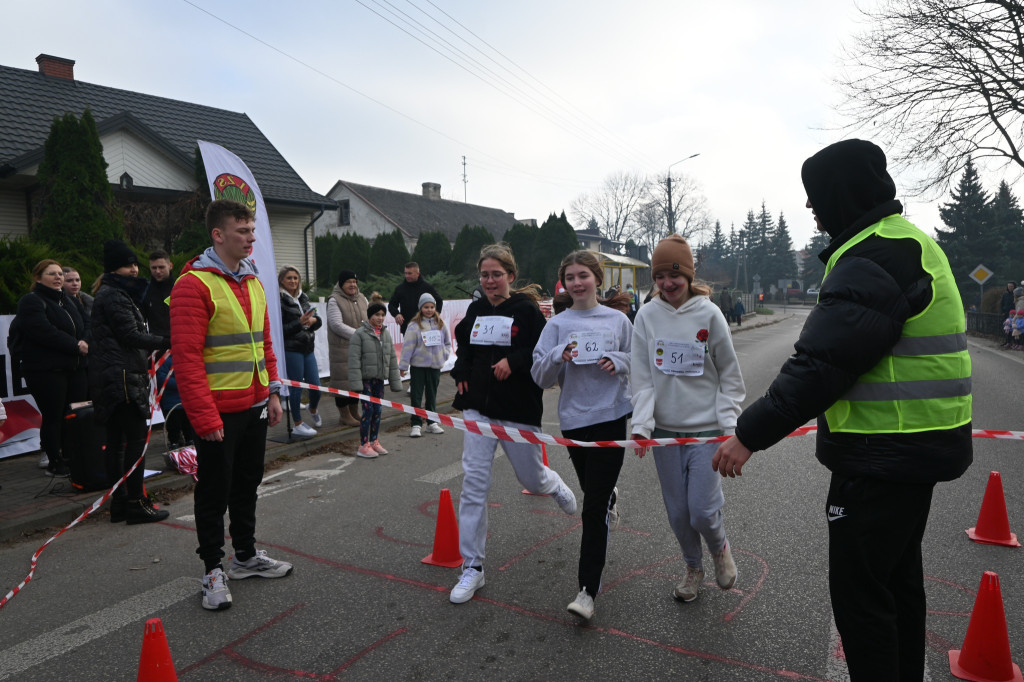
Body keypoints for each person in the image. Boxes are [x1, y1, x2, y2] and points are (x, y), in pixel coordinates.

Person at [711, 139, 973, 681]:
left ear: (841, 194)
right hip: (915, 451)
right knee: (897, 586)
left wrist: (748, 435)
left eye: (816, 197)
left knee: (862, 602)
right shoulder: (907, 243)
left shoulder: (872, 258)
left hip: (882, 459)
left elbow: (818, 368)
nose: (811, 210)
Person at [170, 199, 291, 612]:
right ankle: (212, 570)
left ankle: (244, 556)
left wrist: (273, 393)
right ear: (217, 235)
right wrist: (204, 417)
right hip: (217, 414)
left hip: (255, 405)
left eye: (253, 230)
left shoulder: (253, 280)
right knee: (213, 494)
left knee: (246, 486)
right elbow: (186, 359)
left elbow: (264, 344)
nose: (252, 238)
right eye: (243, 231)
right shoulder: (193, 284)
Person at [448, 243, 577, 605]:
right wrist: (461, 372)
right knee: (473, 483)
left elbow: (540, 351)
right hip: (477, 409)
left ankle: (552, 484)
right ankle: (473, 567)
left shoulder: (528, 311)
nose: (490, 281)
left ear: (510, 276)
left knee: (531, 479)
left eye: (496, 274)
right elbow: (464, 352)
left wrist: (514, 361)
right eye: (485, 275)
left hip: (517, 409)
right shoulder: (474, 310)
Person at [630, 234, 745, 604]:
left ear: (689, 275)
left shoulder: (709, 313)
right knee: (679, 513)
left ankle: (719, 548)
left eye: (674, 275)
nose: (667, 283)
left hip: (707, 431)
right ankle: (693, 568)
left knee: (702, 511)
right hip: (665, 433)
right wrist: (642, 424)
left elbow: (729, 373)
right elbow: (642, 375)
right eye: (660, 276)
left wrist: (729, 427)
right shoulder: (646, 316)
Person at [531, 250, 633, 621]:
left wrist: (618, 361)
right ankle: (608, 498)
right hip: (574, 421)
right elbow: (539, 377)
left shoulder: (618, 320)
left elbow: (636, 360)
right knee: (596, 496)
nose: (576, 283)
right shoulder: (557, 325)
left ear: (597, 279)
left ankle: (588, 590)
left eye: (583, 276)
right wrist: (559, 354)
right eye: (570, 277)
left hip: (611, 418)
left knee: (592, 510)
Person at [90, 240, 171, 524]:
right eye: (128, 264)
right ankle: (135, 502)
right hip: (123, 376)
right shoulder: (114, 295)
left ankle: (121, 503)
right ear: (114, 268)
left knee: (116, 443)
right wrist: (169, 341)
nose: (135, 270)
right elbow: (130, 335)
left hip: (113, 375)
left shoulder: (113, 293)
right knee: (134, 441)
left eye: (136, 264)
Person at [16, 260, 89, 476]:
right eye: (52, 274)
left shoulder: (69, 300)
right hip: (47, 371)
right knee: (53, 416)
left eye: (59, 273)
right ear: (38, 278)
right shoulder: (31, 301)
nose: (58, 277)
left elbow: (87, 324)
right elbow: (43, 332)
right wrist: (76, 346)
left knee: (74, 413)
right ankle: (55, 461)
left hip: (76, 369)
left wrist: (87, 341)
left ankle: (72, 456)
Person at [349, 302, 403, 458]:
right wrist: (356, 384)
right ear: (369, 316)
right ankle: (363, 444)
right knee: (368, 411)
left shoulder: (385, 334)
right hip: (366, 380)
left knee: (378, 411)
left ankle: (374, 441)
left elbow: (392, 358)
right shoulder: (359, 334)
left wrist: (395, 381)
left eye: (382, 315)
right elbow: (354, 360)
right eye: (376, 315)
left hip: (379, 380)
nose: (380, 318)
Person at [278, 265, 323, 439]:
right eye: (289, 278)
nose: (293, 281)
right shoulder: (279, 300)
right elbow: (280, 330)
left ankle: (312, 408)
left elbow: (317, 321)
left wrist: (313, 320)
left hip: (308, 348)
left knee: (316, 386)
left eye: (295, 278)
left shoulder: (303, 297)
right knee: (295, 388)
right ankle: (297, 424)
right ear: (282, 280)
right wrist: (300, 322)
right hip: (292, 349)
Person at [399, 293, 451, 438]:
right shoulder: (414, 325)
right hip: (418, 367)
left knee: (432, 395)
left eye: (432, 307)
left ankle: (431, 422)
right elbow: (408, 346)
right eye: (426, 307)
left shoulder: (441, 324)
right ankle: (416, 423)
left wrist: (444, 355)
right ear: (421, 308)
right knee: (416, 395)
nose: (429, 310)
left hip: (435, 367)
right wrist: (403, 366)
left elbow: (447, 342)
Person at [326, 270, 367, 427]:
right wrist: (359, 334)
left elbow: (368, 317)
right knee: (343, 383)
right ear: (341, 284)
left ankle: (354, 412)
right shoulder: (334, 300)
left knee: (356, 382)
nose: (352, 285)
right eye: (349, 282)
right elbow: (336, 325)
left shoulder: (362, 298)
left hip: (358, 348)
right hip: (342, 349)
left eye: (354, 282)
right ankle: (344, 416)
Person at [388, 262, 443, 336]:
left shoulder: (427, 287)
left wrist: (436, 316)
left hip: (426, 328)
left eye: (410, 273)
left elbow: (439, 301)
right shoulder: (400, 289)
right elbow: (392, 305)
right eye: (406, 273)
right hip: (407, 328)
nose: (407, 276)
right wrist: (396, 314)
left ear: (417, 273)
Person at [141, 249, 174, 339]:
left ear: (170, 266)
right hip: (154, 344)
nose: (157, 271)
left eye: (161, 267)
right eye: (154, 268)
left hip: (177, 342)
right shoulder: (144, 291)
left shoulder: (180, 287)